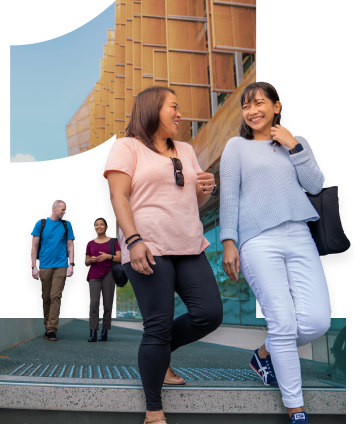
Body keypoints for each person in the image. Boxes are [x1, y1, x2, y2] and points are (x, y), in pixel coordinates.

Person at [103, 86, 223, 424]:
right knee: (157, 326)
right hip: (149, 245)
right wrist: (134, 239)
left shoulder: (184, 149)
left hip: (188, 243)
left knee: (209, 313)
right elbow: (119, 197)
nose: (180, 113)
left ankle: (161, 354)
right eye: (174, 106)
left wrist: (204, 191)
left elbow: (192, 202)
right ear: (153, 109)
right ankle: (153, 411)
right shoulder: (127, 147)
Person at [219, 81, 332, 424]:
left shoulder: (297, 144)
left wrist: (294, 146)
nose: (252, 111)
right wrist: (228, 241)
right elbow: (230, 197)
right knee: (282, 323)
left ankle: (263, 354)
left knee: (316, 322)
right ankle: (296, 408)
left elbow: (315, 185)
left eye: (259, 103)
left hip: (299, 235)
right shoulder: (235, 147)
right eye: (246, 106)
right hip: (257, 241)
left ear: (277, 106)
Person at [30, 199, 75, 341]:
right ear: (54, 208)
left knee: (56, 296)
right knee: (46, 298)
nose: (65, 212)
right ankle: (47, 327)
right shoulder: (41, 223)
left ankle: (51, 330)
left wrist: (71, 264)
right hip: (44, 265)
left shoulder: (66, 224)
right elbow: (34, 247)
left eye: (66, 210)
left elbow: (70, 246)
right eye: (63, 210)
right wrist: (33, 267)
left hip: (61, 265)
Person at [84, 217, 121, 342]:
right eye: (96, 225)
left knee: (108, 304)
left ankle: (105, 331)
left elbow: (120, 258)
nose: (98, 226)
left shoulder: (113, 241)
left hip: (109, 274)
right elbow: (86, 262)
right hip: (94, 274)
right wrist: (90, 260)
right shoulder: (90, 243)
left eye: (101, 224)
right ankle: (93, 331)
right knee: (94, 303)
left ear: (106, 227)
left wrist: (107, 256)